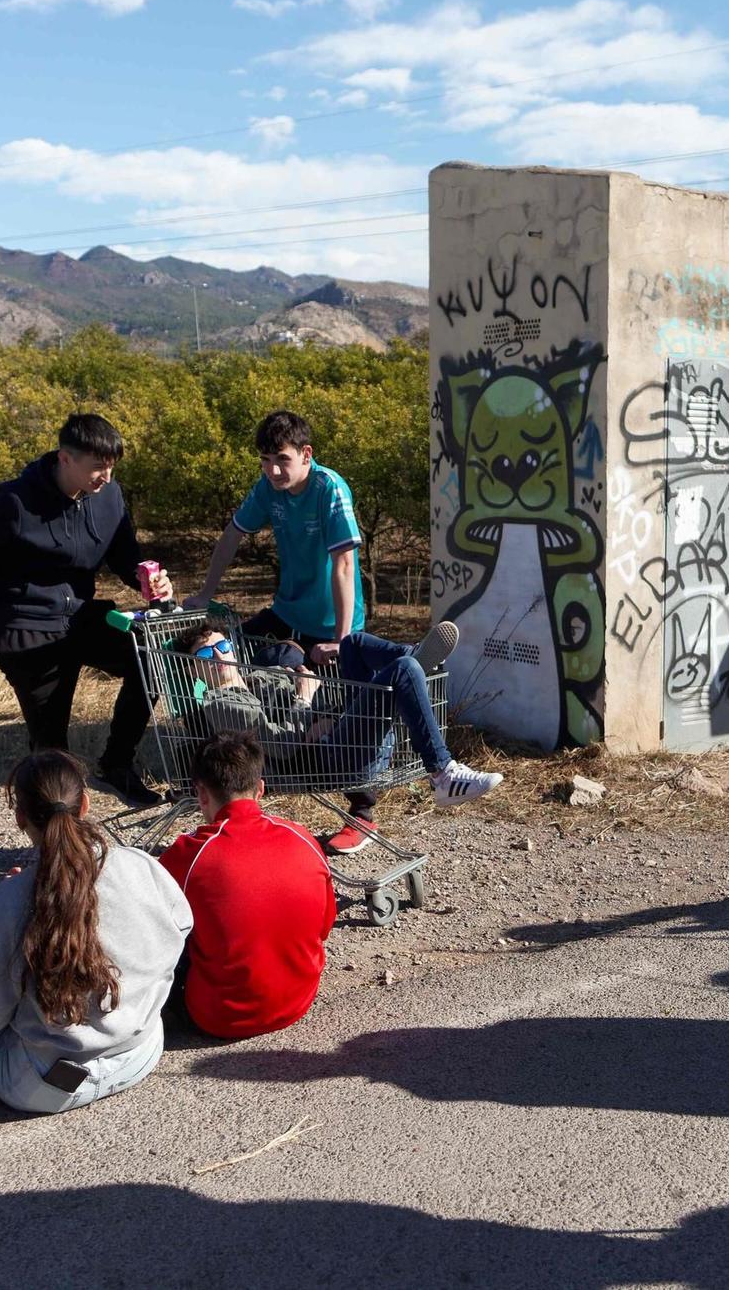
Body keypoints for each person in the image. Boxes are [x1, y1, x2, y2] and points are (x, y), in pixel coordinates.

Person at [0, 414, 175, 808]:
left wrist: (148, 579)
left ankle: (117, 764)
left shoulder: (109, 495)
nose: (106, 476)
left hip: (83, 616)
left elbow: (124, 556)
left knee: (150, 655)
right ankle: (57, 836)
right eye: (98, 467)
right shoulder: (12, 502)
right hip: (28, 625)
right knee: (52, 754)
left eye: (111, 467)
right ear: (65, 459)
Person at [182, 410, 378, 851]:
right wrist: (204, 593)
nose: (273, 470)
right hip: (286, 611)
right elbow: (232, 534)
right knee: (216, 663)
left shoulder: (330, 490)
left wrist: (343, 641)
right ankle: (218, 780)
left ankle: (363, 813)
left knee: (342, 711)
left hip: (333, 622)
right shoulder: (267, 490)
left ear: (306, 455)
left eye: (282, 460)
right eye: (265, 460)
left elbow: (344, 565)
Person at [0, 750, 191, 1114]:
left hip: (41, 1084)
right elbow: (182, 927)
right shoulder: (140, 865)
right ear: (85, 803)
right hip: (139, 1055)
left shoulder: (8, 903)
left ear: (21, 818)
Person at [172, 620, 503, 808]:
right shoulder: (222, 703)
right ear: (194, 670)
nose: (218, 655)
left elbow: (314, 696)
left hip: (337, 736)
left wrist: (323, 713)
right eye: (205, 653)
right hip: (326, 761)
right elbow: (283, 746)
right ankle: (443, 773)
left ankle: (416, 658)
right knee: (402, 670)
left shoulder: (258, 677)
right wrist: (304, 698)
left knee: (352, 645)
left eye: (222, 646)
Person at [158, 732, 338, 1039]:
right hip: (297, 1001)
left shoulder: (186, 855)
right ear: (260, 790)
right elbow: (324, 926)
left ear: (201, 793)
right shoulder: (302, 837)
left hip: (217, 1017)